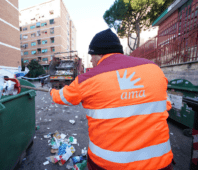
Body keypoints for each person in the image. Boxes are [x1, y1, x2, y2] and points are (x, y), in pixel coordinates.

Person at [50, 28, 174, 170]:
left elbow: (62, 97)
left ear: (99, 54)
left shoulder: (89, 79)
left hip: (109, 164)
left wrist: (51, 91)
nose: (91, 60)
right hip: (159, 163)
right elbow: (166, 105)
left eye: (91, 55)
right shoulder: (154, 69)